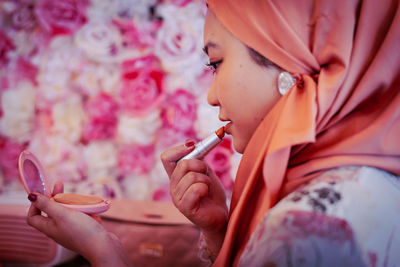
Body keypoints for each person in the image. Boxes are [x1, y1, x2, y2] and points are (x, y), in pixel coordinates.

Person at [26, 0, 400, 266]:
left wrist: (104, 251)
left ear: (292, 61)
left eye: (216, 62)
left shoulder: (308, 229)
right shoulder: (371, 182)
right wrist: (221, 231)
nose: (211, 95)